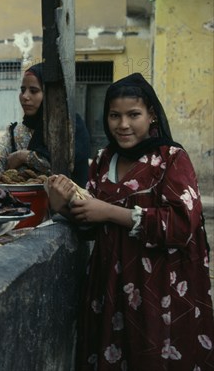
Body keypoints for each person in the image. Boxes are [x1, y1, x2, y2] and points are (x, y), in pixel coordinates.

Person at [46, 73, 213, 370]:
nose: (122, 125)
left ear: (151, 116)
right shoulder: (103, 160)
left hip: (160, 289)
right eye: (114, 115)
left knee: (153, 354)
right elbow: (92, 224)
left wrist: (110, 212)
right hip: (110, 285)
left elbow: (182, 225)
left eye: (133, 114)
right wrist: (63, 208)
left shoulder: (171, 159)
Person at [0, 63, 91, 187]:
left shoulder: (68, 128)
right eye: (23, 90)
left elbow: (64, 167)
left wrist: (24, 156)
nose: (25, 96)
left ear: (49, 95)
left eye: (33, 91)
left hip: (63, 212)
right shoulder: (15, 132)